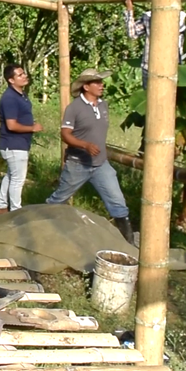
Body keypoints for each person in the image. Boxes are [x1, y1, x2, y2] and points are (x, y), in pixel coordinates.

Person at [46, 69, 134, 243]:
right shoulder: (74, 108)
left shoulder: (104, 105)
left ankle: (128, 243)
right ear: (86, 86)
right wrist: (84, 145)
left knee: (118, 202)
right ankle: (42, 226)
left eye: (101, 82)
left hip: (101, 164)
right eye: (97, 82)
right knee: (59, 198)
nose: (102, 85)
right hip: (78, 164)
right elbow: (65, 134)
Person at [0, 65, 43, 214]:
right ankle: (16, 211)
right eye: (20, 75)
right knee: (18, 179)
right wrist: (32, 128)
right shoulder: (9, 98)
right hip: (14, 144)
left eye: (24, 73)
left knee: (11, 176)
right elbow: (11, 125)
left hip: (18, 144)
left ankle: (1, 205)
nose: (24, 76)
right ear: (11, 80)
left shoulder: (21, 95)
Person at [124, 0, 186, 89]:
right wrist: (129, 10)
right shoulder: (149, 16)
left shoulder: (182, 18)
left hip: (172, 67)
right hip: (149, 66)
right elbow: (133, 33)